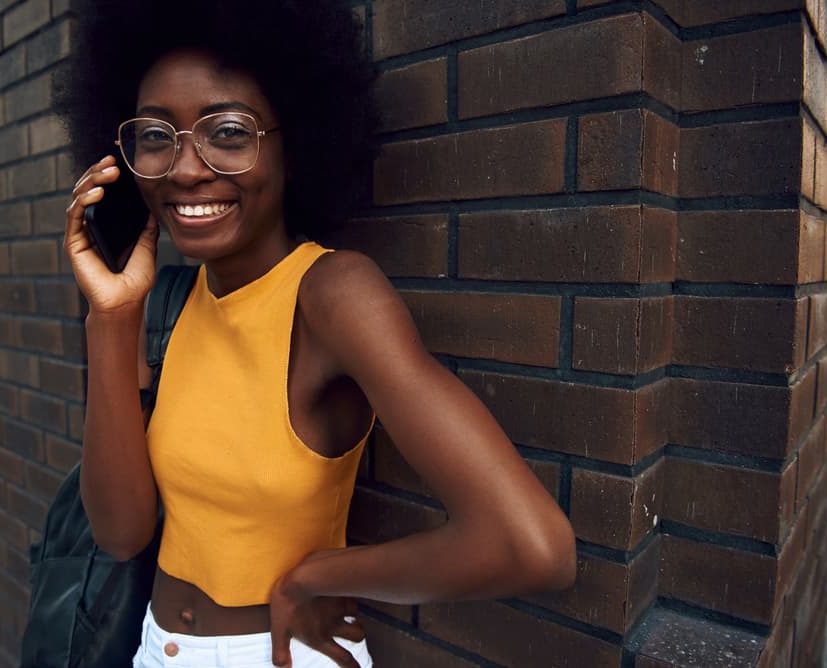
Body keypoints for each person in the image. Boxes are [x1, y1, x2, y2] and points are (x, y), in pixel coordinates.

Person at [54, 1, 577, 666]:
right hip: (156, 648)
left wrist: (315, 577)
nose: (186, 169)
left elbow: (530, 545)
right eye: (157, 136)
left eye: (229, 131)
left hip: (275, 651)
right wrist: (111, 318)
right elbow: (122, 533)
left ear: (293, 142)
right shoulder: (176, 302)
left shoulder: (332, 294)